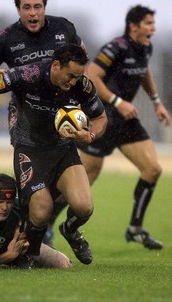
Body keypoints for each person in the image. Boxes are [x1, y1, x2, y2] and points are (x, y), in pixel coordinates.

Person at [0, 44, 107, 266]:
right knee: (42, 210)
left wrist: (89, 136)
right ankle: (30, 255)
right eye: (70, 75)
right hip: (29, 148)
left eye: (78, 76)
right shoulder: (28, 74)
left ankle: (70, 230)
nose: (74, 81)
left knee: (84, 207)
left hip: (63, 149)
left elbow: (101, 119)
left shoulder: (83, 85)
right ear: (55, 65)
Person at [0, 0, 85, 246]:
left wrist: (80, 101)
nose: (33, 13)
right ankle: (31, 237)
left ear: (45, 7)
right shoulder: (5, 38)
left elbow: (81, 63)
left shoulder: (64, 28)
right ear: (18, 10)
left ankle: (51, 220)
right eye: (26, 7)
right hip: (28, 121)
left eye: (37, 6)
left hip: (60, 124)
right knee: (39, 203)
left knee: (77, 199)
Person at [78, 5, 170, 250]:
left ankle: (135, 229)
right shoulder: (115, 47)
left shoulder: (146, 48)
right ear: (134, 26)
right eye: (149, 23)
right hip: (104, 118)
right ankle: (47, 226)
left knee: (152, 170)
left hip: (127, 121)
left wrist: (157, 102)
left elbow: (144, 72)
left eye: (153, 23)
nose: (153, 27)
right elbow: (92, 76)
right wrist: (118, 102)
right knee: (83, 181)